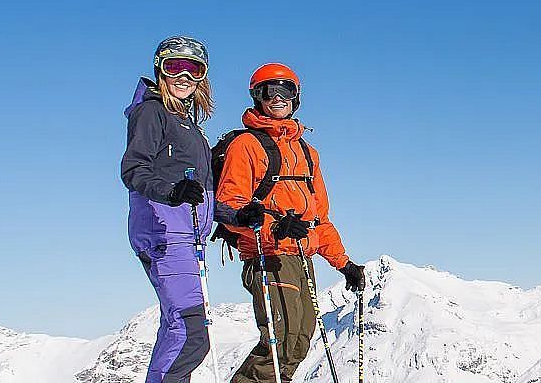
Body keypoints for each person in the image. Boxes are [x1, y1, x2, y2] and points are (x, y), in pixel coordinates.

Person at [218, 62, 366, 383]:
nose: (278, 98)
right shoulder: (246, 146)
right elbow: (230, 205)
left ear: (296, 97)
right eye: (269, 91)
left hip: (302, 257)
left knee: (299, 342)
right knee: (280, 342)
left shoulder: (308, 152)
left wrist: (344, 265)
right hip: (268, 255)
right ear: (258, 97)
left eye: (286, 91)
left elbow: (319, 218)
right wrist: (274, 226)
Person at [120, 35, 216, 383]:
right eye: (175, 66)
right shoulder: (152, 112)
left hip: (185, 235)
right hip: (163, 230)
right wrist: (172, 191)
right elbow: (134, 170)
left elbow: (198, 194)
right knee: (190, 334)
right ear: (160, 68)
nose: (183, 76)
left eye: (193, 69)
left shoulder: (191, 128)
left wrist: (236, 216)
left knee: (179, 330)